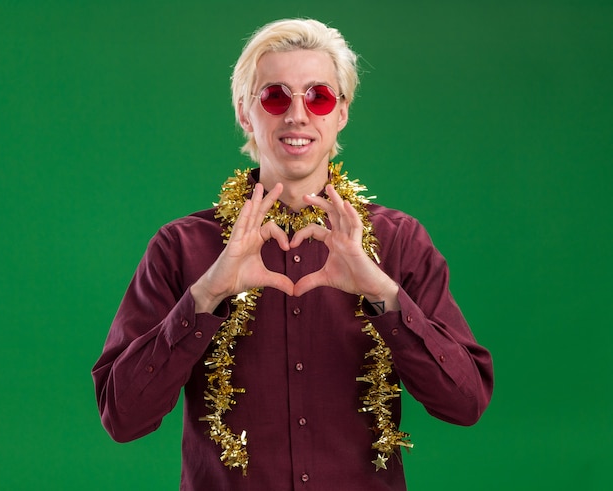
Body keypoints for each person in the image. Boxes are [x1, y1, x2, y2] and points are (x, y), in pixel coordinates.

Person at [92, 18, 493, 491]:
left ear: (341, 112)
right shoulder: (181, 246)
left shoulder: (398, 240)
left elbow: (465, 404)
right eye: (275, 96)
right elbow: (123, 417)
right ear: (245, 112)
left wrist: (383, 294)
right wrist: (205, 295)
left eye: (318, 96)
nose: (297, 116)